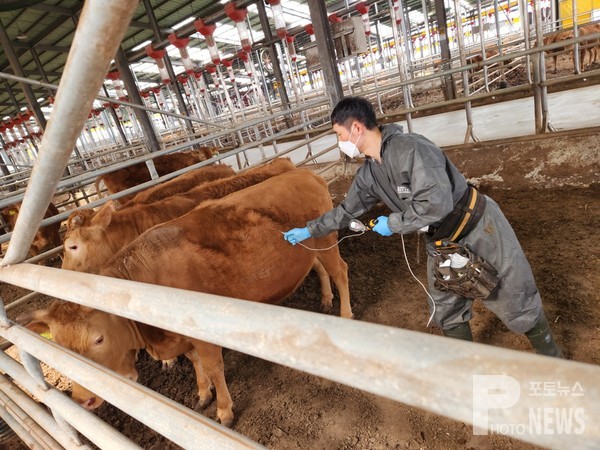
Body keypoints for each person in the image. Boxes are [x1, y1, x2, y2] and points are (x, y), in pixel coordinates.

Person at [283, 96, 563, 358]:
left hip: (478, 227)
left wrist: (393, 224)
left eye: (339, 135)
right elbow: (346, 211)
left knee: (513, 294)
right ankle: (464, 367)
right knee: (446, 305)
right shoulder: (370, 173)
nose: (340, 142)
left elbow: (436, 204)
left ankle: (553, 359)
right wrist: (310, 230)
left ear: (356, 128)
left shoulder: (411, 149)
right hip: (441, 241)